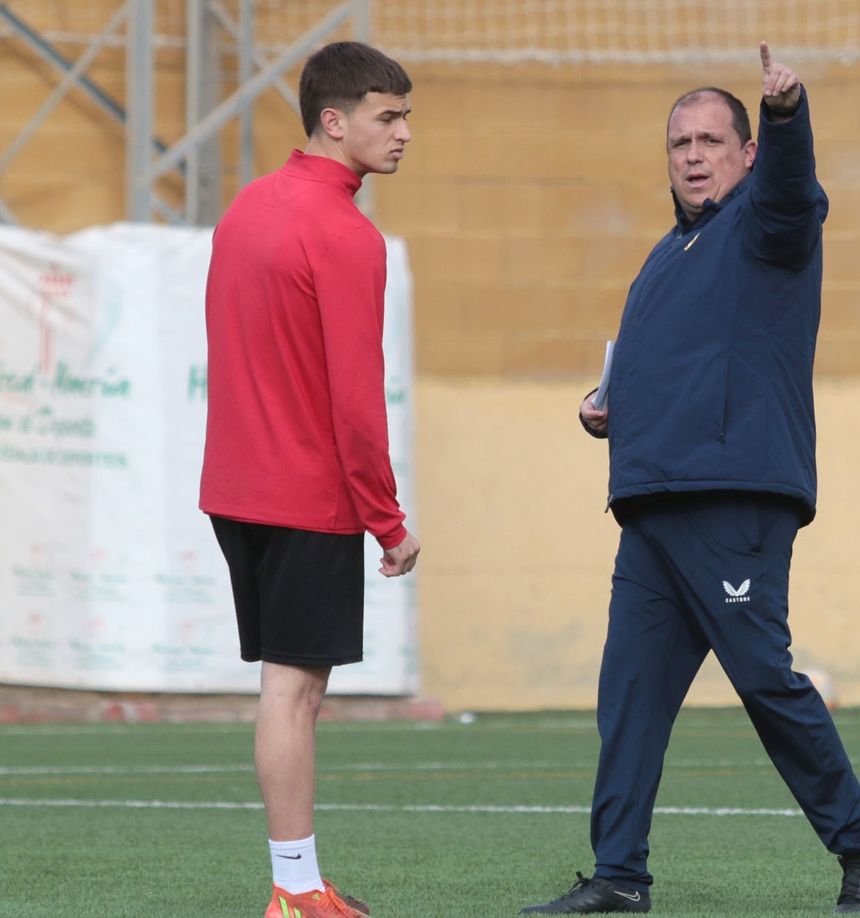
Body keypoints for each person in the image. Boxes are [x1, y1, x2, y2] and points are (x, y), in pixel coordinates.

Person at [522, 43, 860, 916]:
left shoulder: (768, 223)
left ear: (743, 155)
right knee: (629, 697)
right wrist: (609, 405)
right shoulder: (666, 257)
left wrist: (785, 114)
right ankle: (619, 876)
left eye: (710, 139)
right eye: (679, 143)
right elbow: (679, 367)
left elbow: (792, 190)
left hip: (732, 498)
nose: (693, 155)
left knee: (763, 680)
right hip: (655, 504)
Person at [200, 40, 421, 918]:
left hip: (235, 489)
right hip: (305, 497)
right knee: (293, 693)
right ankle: (294, 892)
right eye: (388, 116)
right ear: (335, 121)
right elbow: (356, 405)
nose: (404, 133)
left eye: (405, 116)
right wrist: (389, 521)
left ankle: (300, 881)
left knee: (286, 689)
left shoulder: (247, 208)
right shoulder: (346, 234)